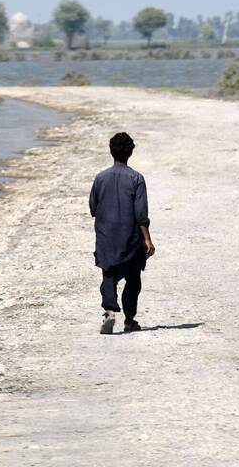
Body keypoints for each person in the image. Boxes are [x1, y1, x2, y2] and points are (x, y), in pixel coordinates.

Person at [89, 132, 155, 334]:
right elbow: (141, 214)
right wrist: (147, 240)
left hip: (106, 237)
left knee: (108, 275)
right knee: (133, 279)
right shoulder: (137, 178)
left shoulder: (100, 178)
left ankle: (109, 311)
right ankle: (129, 320)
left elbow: (93, 208)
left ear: (111, 151)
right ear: (130, 152)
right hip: (131, 239)